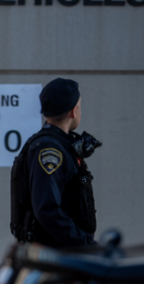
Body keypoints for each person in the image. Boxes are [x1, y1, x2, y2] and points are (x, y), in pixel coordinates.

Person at [10, 78, 97, 247]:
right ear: (74, 111)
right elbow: (47, 210)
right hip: (56, 255)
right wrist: (85, 244)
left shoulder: (61, 144)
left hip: (61, 251)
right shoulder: (50, 150)